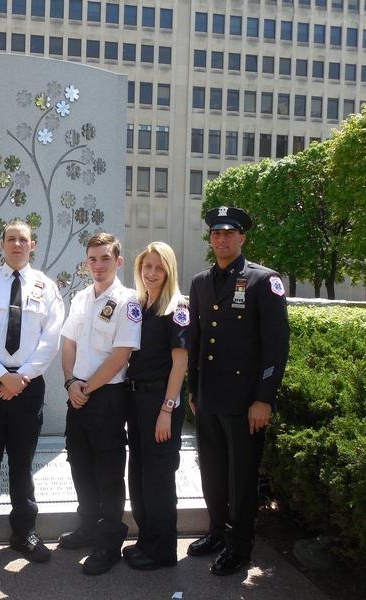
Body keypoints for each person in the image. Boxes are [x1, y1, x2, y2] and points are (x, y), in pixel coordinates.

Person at [186, 206, 290, 576]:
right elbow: (196, 341)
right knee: (212, 472)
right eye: (216, 233)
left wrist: (264, 398)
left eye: (229, 233)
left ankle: (240, 546)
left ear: (243, 237)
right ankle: (217, 532)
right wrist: (193, 391)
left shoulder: (264, 281)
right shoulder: (200, 282)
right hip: (210, 397)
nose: (222, 239)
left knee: (241, 477)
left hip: (246, 401)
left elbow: (276, 346)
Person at [0, 219, 64, 568]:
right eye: (11, 239)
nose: (18, 245)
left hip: (28, 386)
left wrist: (20, 377)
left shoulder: (47, 287)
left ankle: (24, 533)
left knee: (23, 465)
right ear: (2, 244)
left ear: (32, 245)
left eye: (24, 239)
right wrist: (0, 376)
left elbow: (51, 338)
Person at [58, 232, 142, 576]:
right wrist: (70, 384)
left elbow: (120, 356)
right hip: (77, 394)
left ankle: (110, 540)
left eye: (105, 258)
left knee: (108, 471)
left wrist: (85, 388)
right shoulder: (80, 298)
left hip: (107, 396)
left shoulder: (129, 301)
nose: (98, 265)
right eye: (92, 259)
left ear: (118, 261)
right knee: (80, 464)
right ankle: (88, 526)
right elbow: (68, 344)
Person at [123, 242, 189, 571]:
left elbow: (180, 366)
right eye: (147, 267)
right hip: (137, 400)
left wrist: (166, 410)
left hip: (161, 402)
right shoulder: (141, 305)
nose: (151, 273)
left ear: (169, 271)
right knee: (139, 473)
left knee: (159, 477)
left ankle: (163, 551)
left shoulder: (177, 308)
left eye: (158, 268)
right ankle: (147, 539)